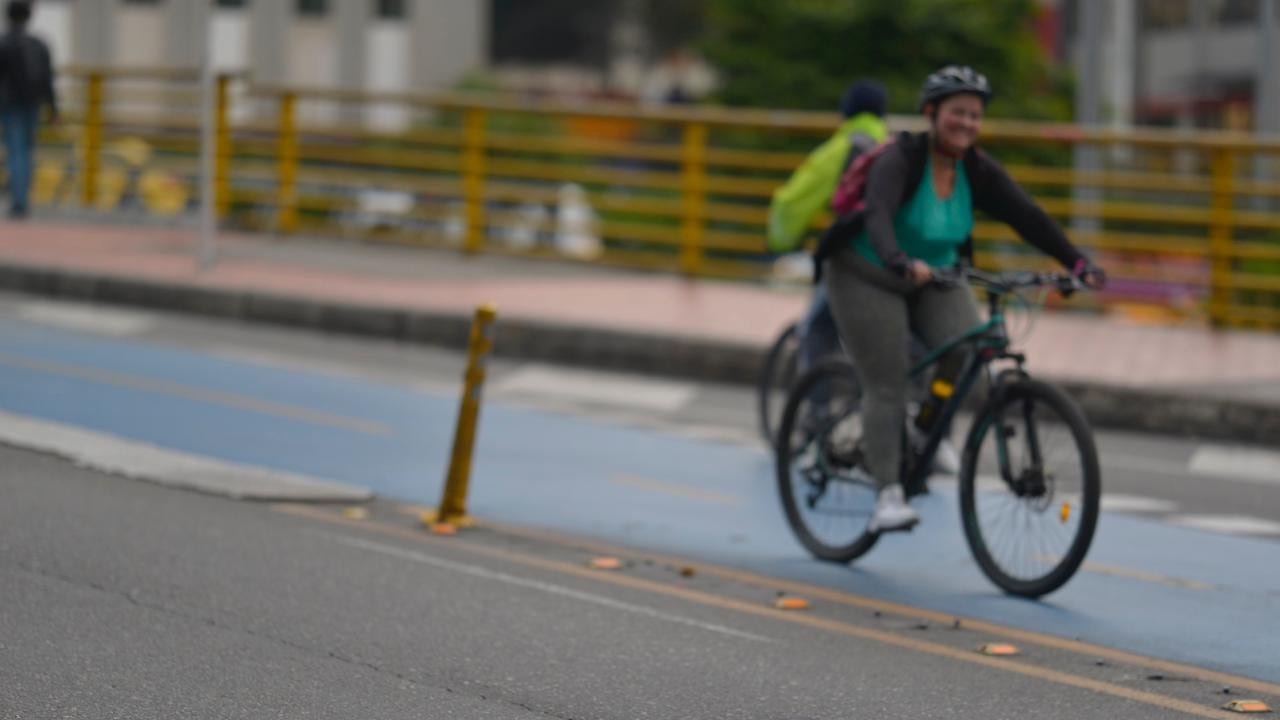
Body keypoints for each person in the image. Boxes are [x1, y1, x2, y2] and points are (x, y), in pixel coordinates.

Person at [819, 65, 1106, 533]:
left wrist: (1077, 263)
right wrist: (896, 259)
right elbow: (878, 214)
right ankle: (888, 496)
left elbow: (1027, 216)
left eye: (975, 115)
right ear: (931, 113)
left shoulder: (976, 169)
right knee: (887, 382)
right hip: (868, 272)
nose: (967, 123)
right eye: (957, 112)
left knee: (970, 347)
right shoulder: (902, 159)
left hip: (934, 274)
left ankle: (924, 432)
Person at [767, 80, 890, 377]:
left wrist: (781, 240)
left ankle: (817, 403)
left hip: (852, 253)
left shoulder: (845, 146)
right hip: (893, 253)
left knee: (818, 328)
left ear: (847, 110)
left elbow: (794, 201)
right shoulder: (890, 145)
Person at [0, 0, 57, 219]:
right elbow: (48, 79)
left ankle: (19, 202)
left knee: (16, 152)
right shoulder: (39, 44)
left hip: (9, 105)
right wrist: (53, 109)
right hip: (33, 105)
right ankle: (23, 197)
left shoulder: (4, 43)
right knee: (27, 151)